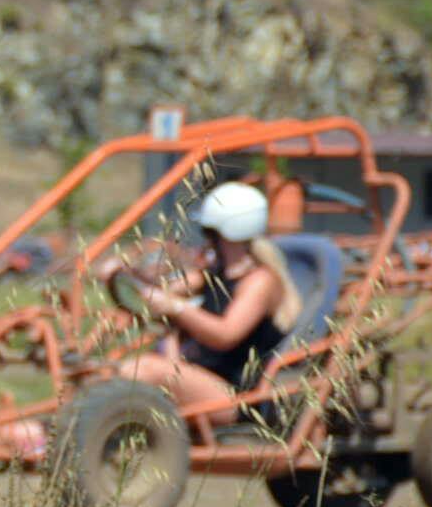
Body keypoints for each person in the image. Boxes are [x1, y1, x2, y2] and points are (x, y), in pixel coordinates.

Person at [95, 180, 302, 421]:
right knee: (104, 372)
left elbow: (225, 335)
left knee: (146, 369)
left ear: (225, 233)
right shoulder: (212, 273)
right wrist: (124, 269)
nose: (206, 240)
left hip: (236, 396)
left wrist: (177, 308)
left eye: (210, 232)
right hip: (198, 378)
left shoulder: (260, 281)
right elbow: (161, 290)